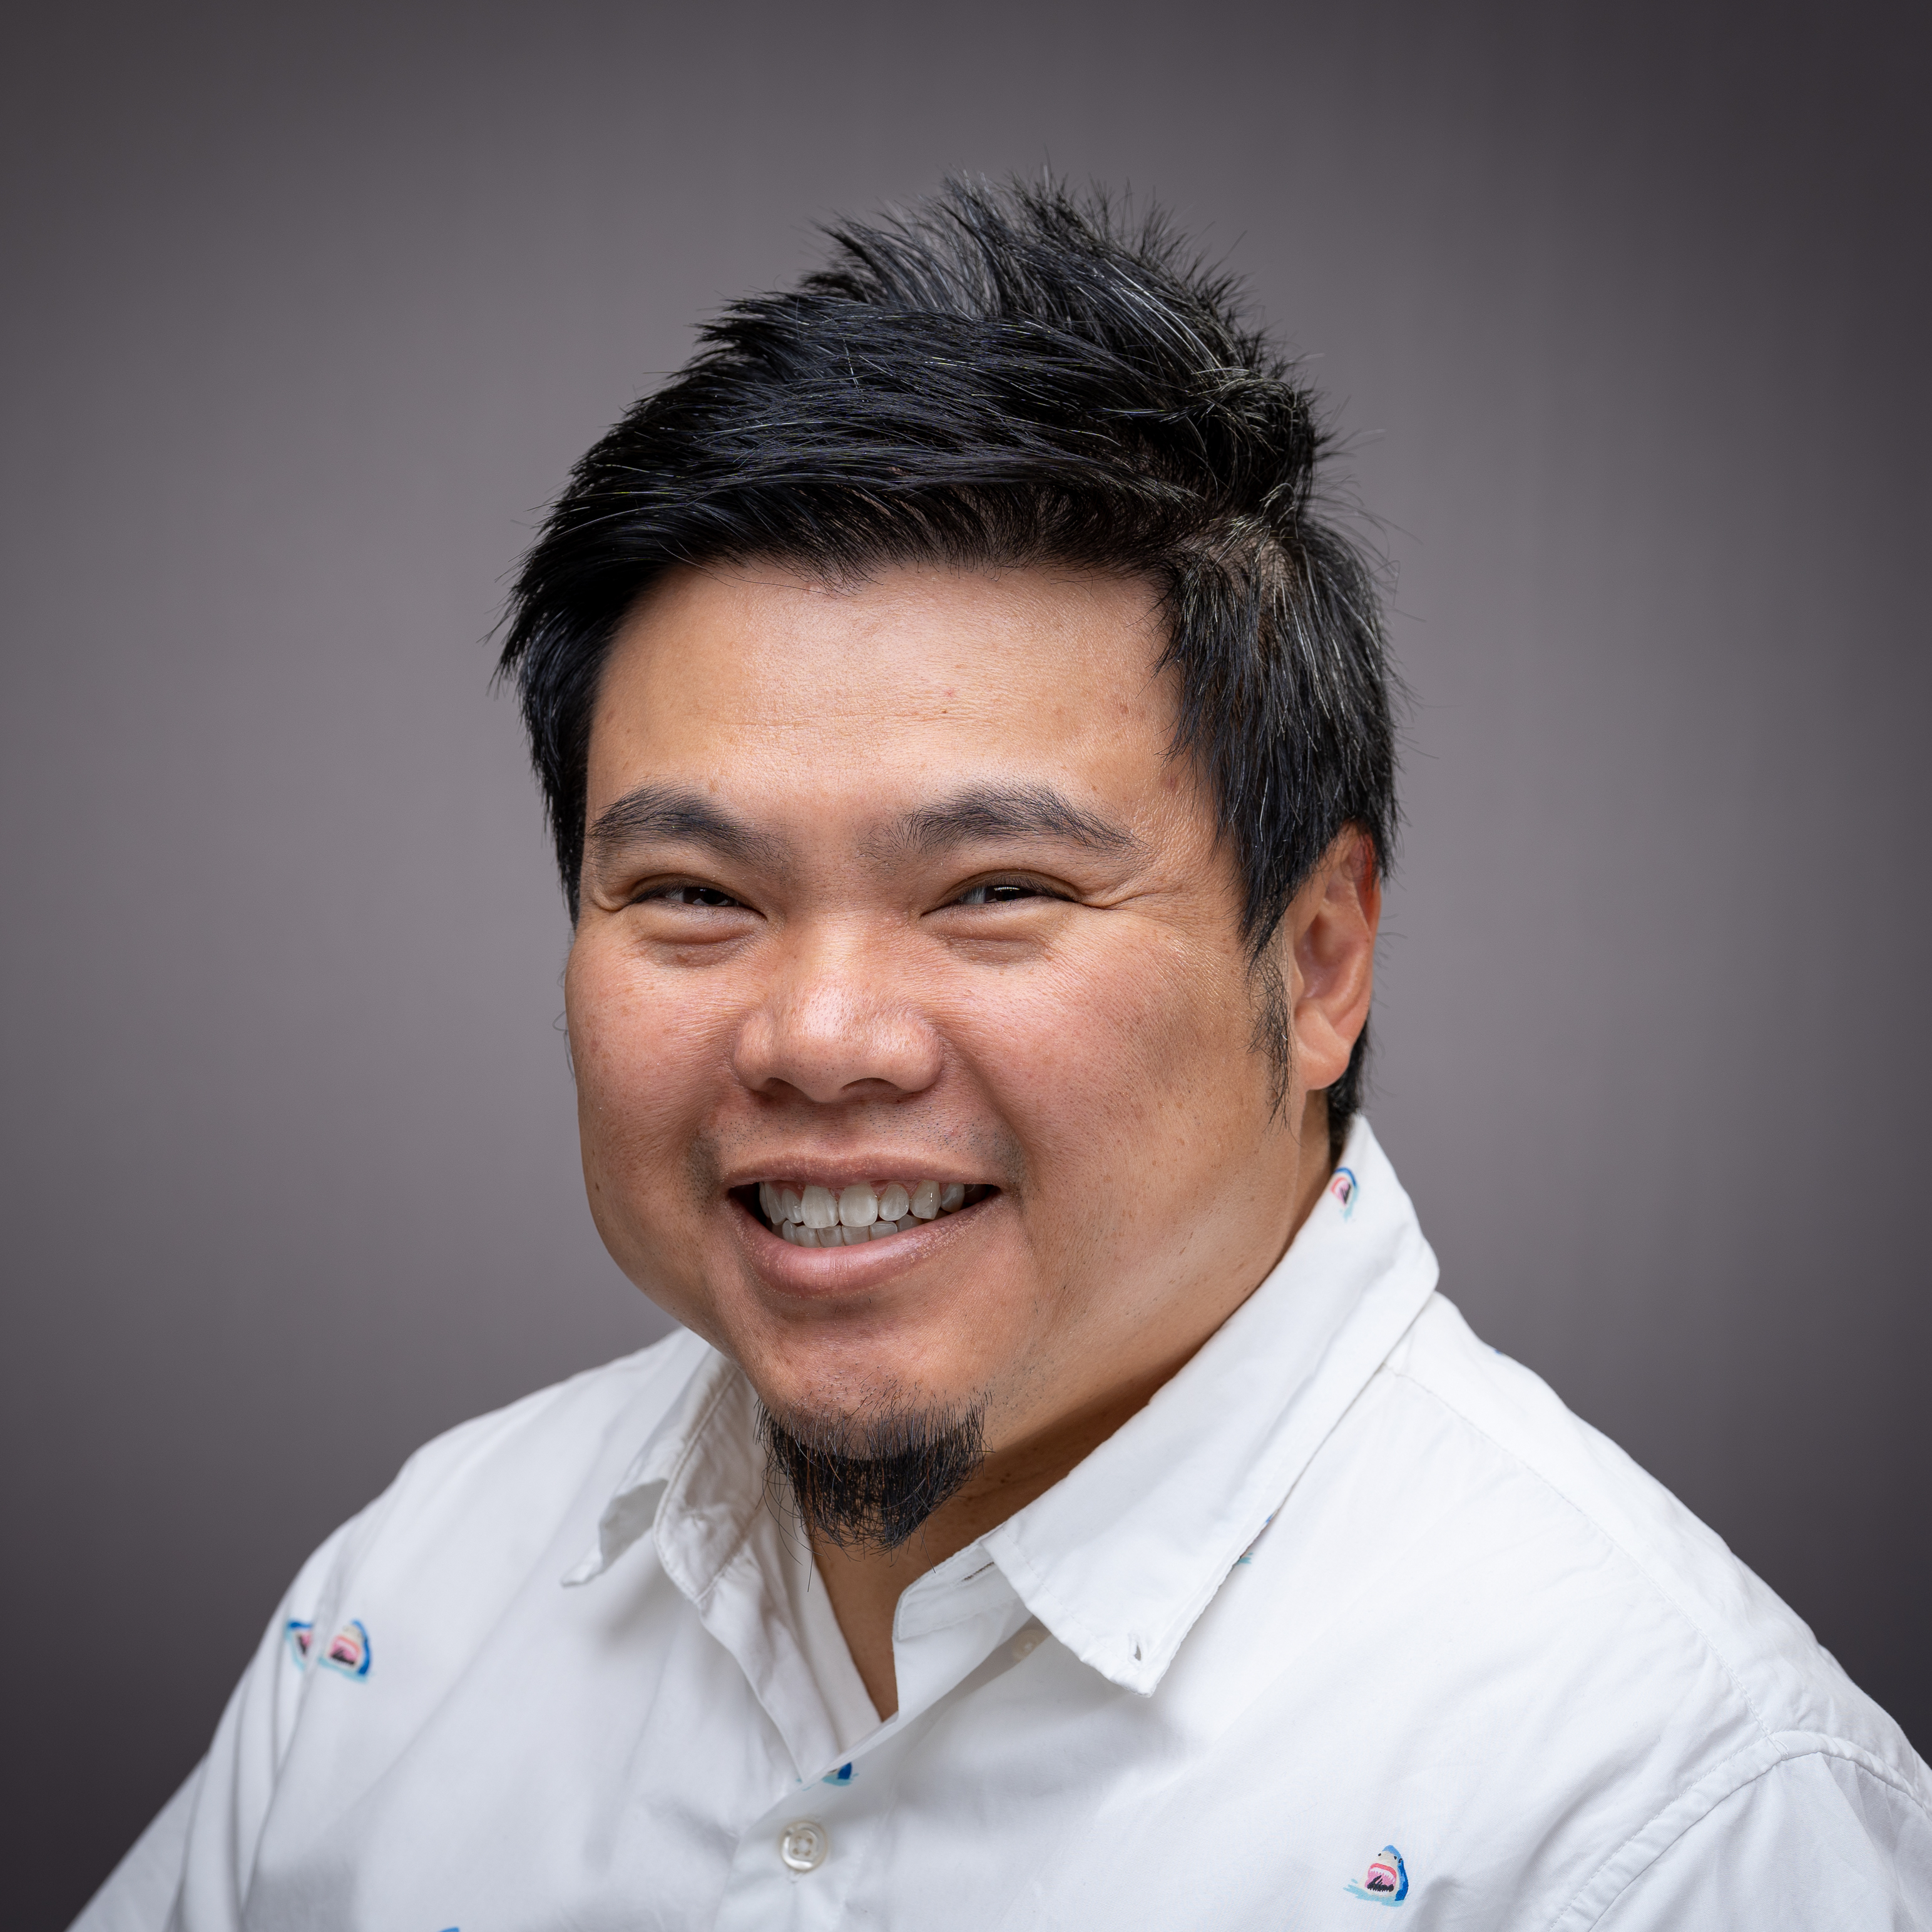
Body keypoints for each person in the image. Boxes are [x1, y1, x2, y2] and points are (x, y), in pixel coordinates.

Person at [76, 178, 1928, 1931]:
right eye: (694, 894)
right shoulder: (412, 1600)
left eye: (994, 889)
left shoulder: (1668, 1814)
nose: (817, 1037)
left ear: (1321, 957)